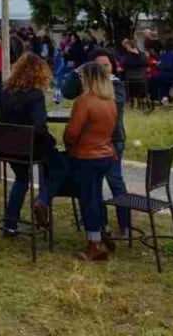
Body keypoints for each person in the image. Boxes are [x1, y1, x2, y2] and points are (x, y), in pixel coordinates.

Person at [0, 52, 66, 234]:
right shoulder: (35, 96)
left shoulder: (3, 90)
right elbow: (39, 126)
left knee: (22, 178)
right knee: (60, 165)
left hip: (5, 147)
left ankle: (10, 223)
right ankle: (43, 199)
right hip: (30, 147)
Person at [64, 62, 118, 261]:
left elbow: (72, 133)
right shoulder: (110, 101)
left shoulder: (84, 101)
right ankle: (102, 232)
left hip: (86, 156)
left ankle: (94, 243)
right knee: (96, 197)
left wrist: (68, 139)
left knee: (88, 200)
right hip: (105, 154)